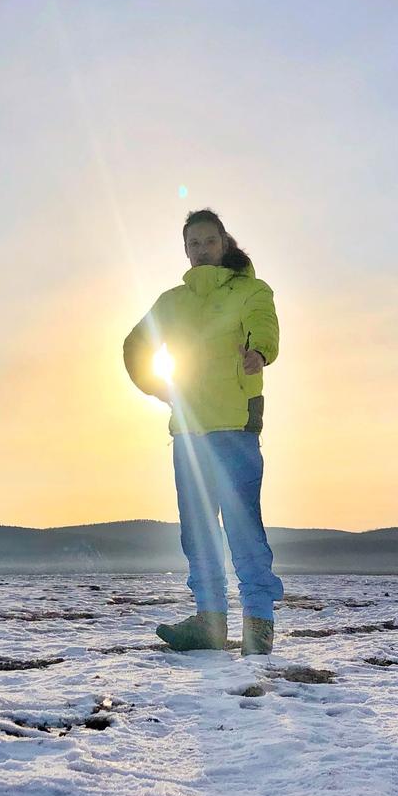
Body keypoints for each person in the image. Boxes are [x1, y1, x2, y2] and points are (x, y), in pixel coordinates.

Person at [123, 208, 284, 655]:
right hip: (189, 430)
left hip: (235, 423)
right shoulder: (172, 301)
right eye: (193, 243)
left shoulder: (251, 289)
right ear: (185, 249)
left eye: (209, 241)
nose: (201, 249)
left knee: (242, 526)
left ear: (224, 242)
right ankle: (210, 621)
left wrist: (260, 353)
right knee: (197, 530)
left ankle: (259, 623)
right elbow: (135, 344)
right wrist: (158, 387)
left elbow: (262, 325)